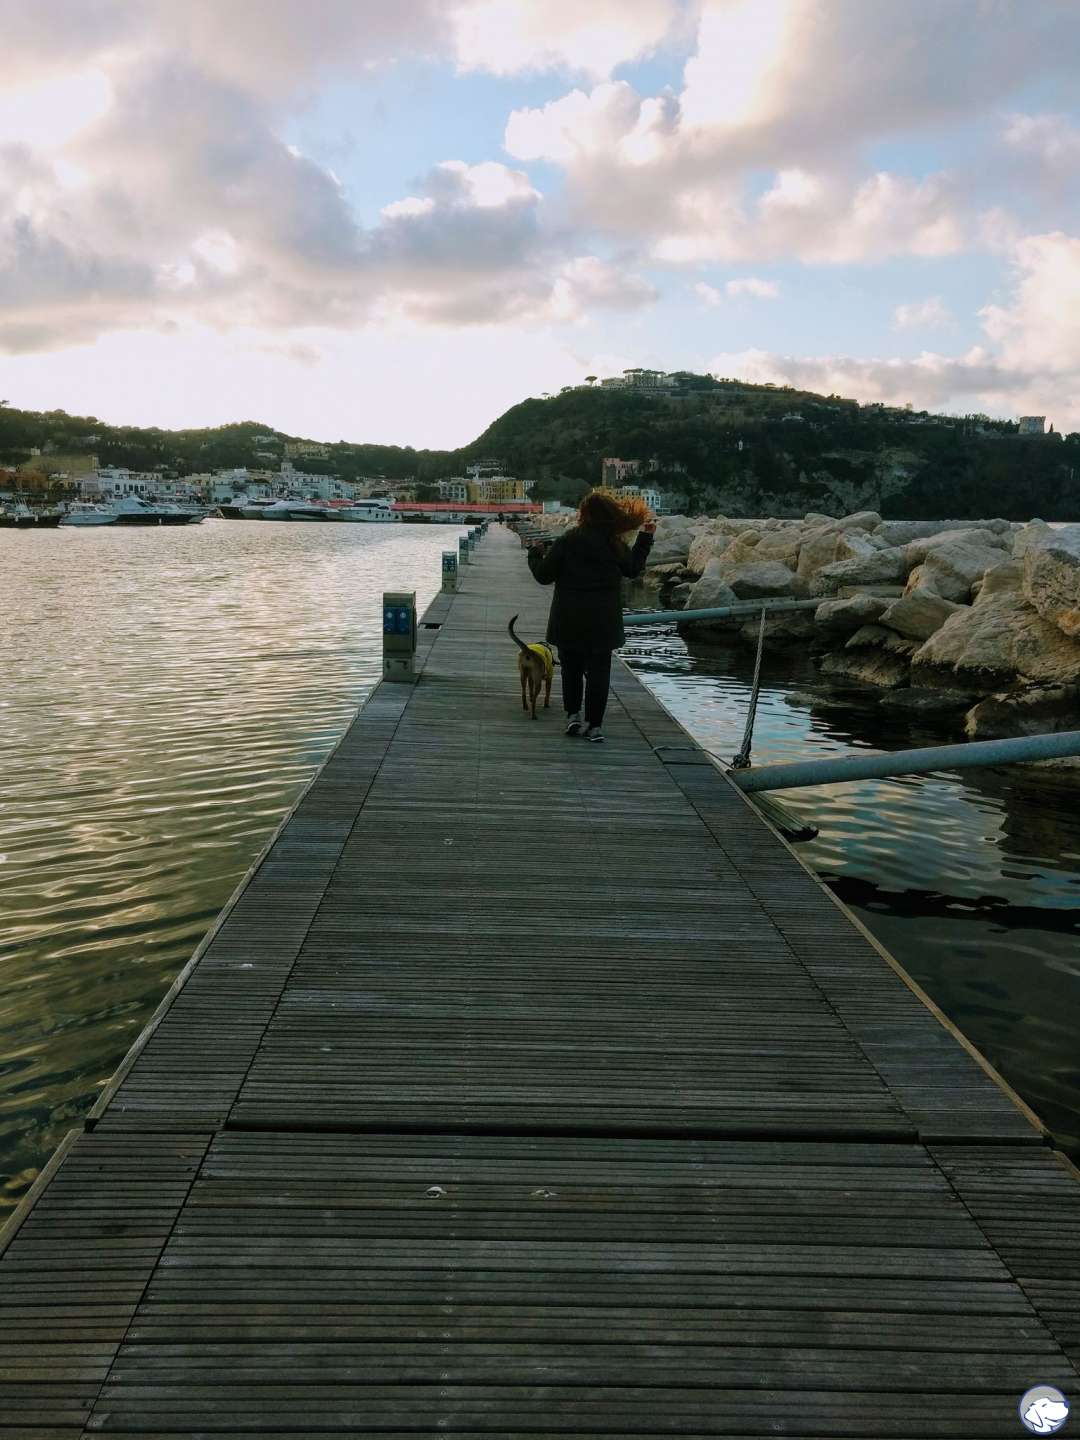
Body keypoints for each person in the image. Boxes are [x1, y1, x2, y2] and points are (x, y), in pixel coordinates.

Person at [526, 491, 656, 742]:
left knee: (571, 670)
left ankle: (573, 716)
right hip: (603, 623)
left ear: (583, 515)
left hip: (569, 619)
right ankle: (594, 726)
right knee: (599, 674)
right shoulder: (614, 544)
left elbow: (543, 576)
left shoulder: (567, 541)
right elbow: (632, 569)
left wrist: (534, 553)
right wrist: (645, 538)